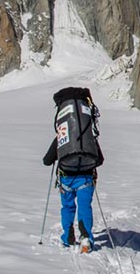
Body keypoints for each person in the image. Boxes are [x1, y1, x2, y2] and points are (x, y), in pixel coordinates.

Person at [43, 87, 104, 252]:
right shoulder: (87, 135)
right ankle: (85, 238)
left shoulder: (63, 134)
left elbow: (47, 161)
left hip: (66, 177)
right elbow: (100, 160)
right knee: (85, 206)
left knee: (68, 207)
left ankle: (68, 236)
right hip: (86, 178)